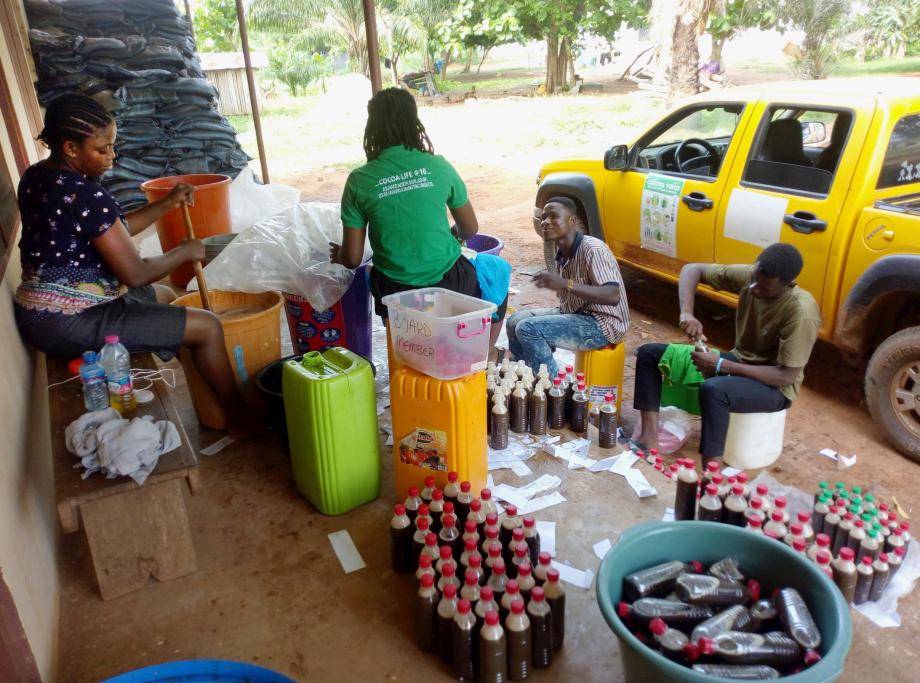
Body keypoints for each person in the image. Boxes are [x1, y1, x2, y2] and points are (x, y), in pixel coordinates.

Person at [14, 93, 257, 434]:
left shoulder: (38, 176)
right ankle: (239, 416)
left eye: (113, 146)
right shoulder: (84, 194)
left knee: (167, 296)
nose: (111, 156)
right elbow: (135, 273)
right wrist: (185, 252)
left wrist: (169, 202)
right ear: (70, 148)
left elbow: (111, 230)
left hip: (46, 310)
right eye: (102, 149)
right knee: (208, 326)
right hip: (69, 319)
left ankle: (207, 402)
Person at [331, 88, 506, 334]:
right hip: (450, 283)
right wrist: (455, 232)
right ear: (414, 122)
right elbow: (470, 228)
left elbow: (352, 259)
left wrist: (339, 254)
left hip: (395, 292)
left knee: (407, 337)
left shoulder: (359, 180)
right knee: (497, 270)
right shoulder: (438, 167)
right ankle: (485, 355)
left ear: (372, 127)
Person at [632, 243, 821, 466]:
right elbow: (692, 269)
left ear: (788, 285)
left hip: (774, 388)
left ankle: (711, 472)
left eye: (764, 289)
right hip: (739, 361)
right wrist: (687, 313)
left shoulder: (800, 312)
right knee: (650, 354)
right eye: (753, 281)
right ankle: (649, 440)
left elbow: (785, 376)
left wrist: (721, 365)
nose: (753, 289)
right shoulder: (753, 277)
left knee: (714, 390)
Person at [505, 197, 629, 375]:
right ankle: (524, 378)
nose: (546, 222)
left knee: (528, 329)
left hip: (603, 324)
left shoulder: (593, 249)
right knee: (514, 320)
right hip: (577, 314)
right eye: (543, 218)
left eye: (554, 216)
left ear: (572, 221)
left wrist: (565, 284)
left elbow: (612, 295)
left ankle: (551, 388)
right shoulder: (562, 253)